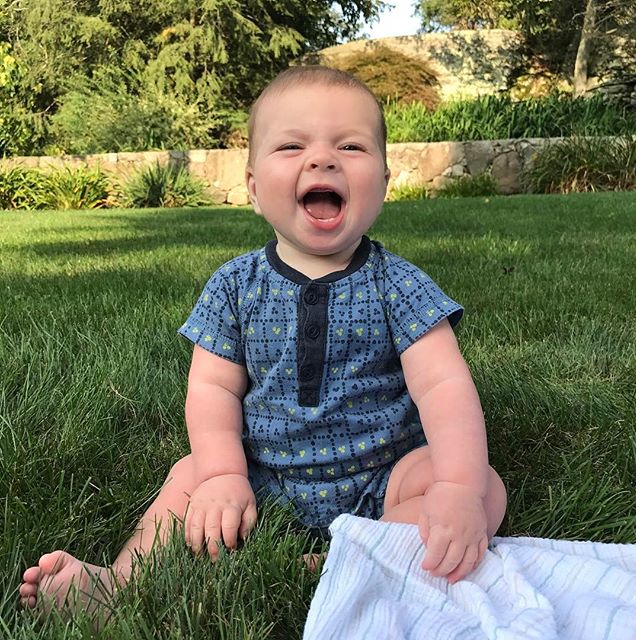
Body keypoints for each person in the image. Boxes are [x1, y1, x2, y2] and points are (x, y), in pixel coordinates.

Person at [20, 65, 507, 615]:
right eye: (292, 145)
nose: (322, 159)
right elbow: (212, 390)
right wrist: (225, 473)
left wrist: (458, 489)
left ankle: (340, 562)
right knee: (188, 475)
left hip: (383, 476)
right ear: (253, 189)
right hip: (262, 472)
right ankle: (117, 586)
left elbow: (444, 386)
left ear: (385, 184)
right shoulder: (233, 286)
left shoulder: (400, 285)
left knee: (483, 485)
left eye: (350, 146)